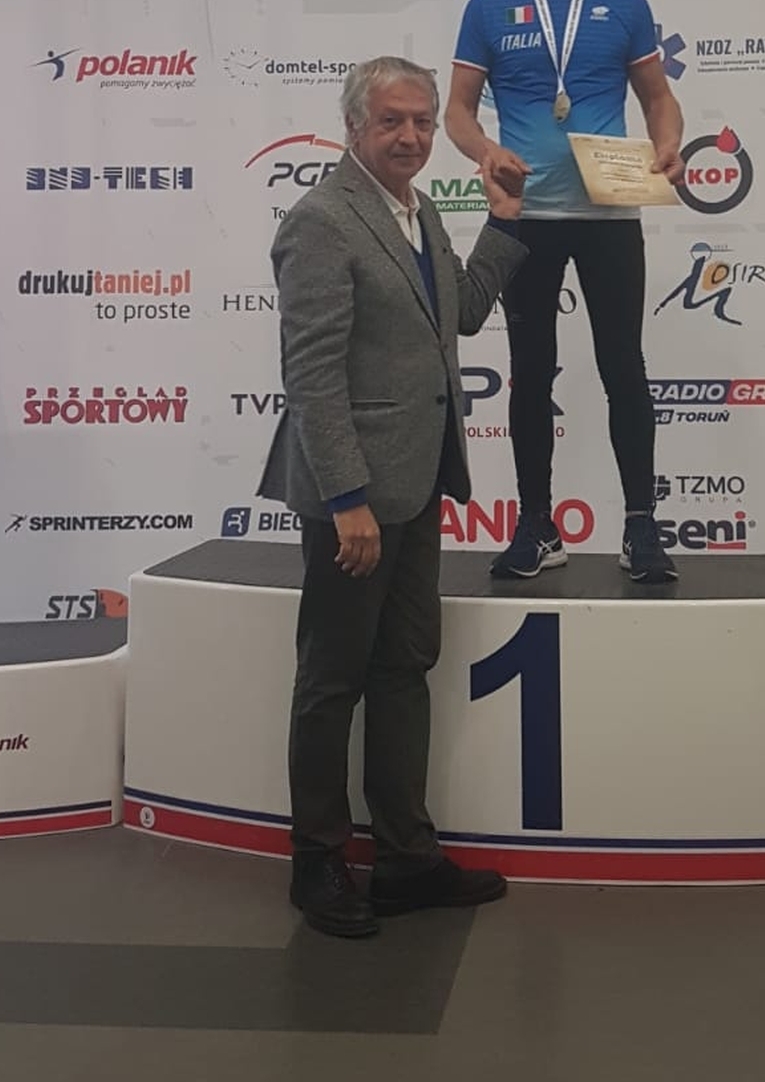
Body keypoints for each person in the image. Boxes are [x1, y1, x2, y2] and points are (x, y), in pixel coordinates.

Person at [257, 56, 526, 938]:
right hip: (357, 501)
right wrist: (347, 497)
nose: (411, 137)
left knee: (404, 667)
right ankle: (317, 862)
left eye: (421, 122)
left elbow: (464, 315)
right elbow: (311, 376)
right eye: (391, 122)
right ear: (353, 128)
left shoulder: (420, 212)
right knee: (331, 679)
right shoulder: (320, 221)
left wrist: (502, 220)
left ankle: (407, 859)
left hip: (415, 485)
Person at [445, 0, 685, 584]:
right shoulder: (488, 7)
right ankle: (536, 527)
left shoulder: (624, 3)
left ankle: (640, 527)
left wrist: (668, 143)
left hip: (609, 215)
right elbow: (457, 112)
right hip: (527, 218)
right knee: (528, 374)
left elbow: (658, 98)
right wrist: (486, 151)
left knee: (624, 367)